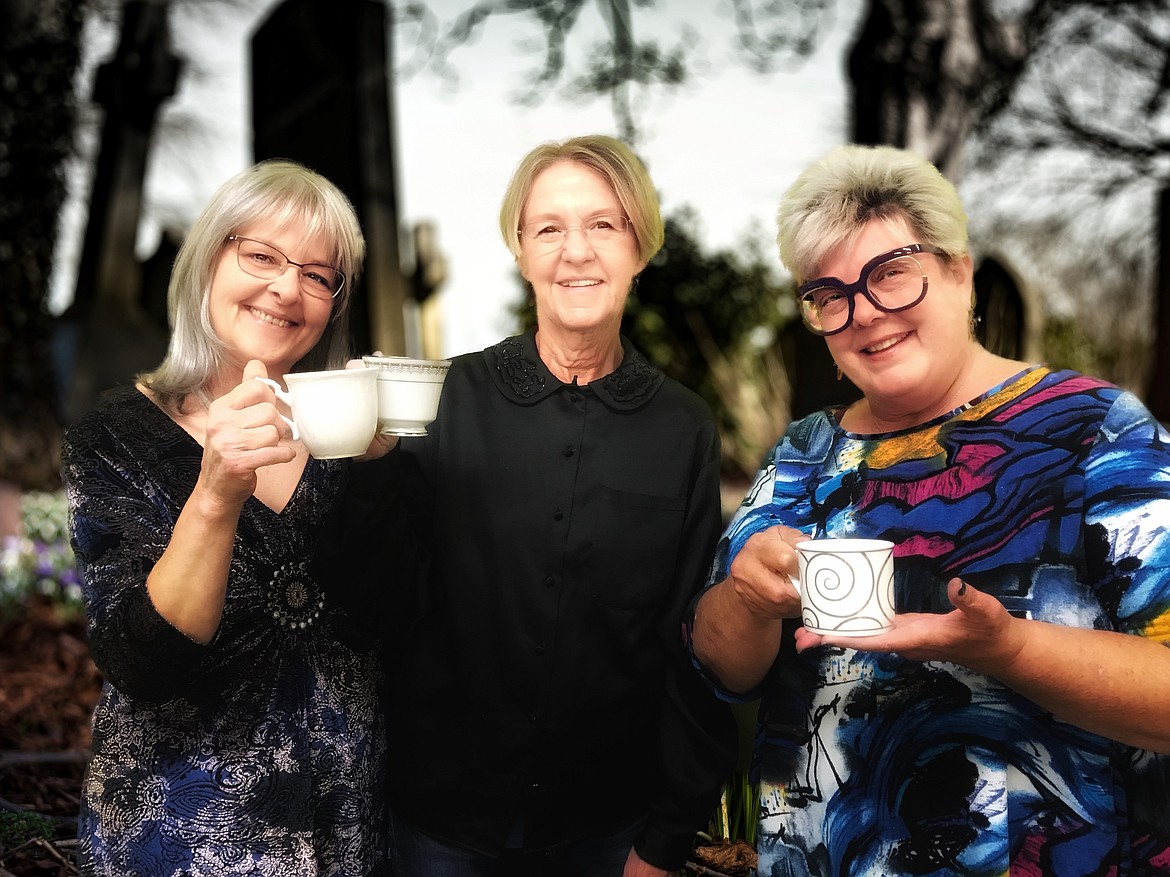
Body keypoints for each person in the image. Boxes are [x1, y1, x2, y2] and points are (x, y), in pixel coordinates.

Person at [687, 144, 1170, 876]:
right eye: (831, 293)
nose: (865, 314)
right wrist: (746, 598)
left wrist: (1006, 649)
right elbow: (725, 667)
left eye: (891, 275)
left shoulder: (1095, 430)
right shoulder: (805, 454)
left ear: (958, 270)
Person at [334, 134, 737, 876]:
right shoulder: (443, 397)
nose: (574, 251)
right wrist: (372, 475)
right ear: (520, 250)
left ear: (639, 248)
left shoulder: (684, 428)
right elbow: (374, 605)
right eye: (548, 227)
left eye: (602, 225)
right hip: (441, 823)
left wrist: (669, 833)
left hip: (606, 828)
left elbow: (690, 641)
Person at [61, 160, 392, 876]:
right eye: (262, 256)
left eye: (317, 273)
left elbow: (397, 624)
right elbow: (140, 662)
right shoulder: (117, 433)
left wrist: (387, 477)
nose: (286, 288)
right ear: (210, 257)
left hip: (346, 831)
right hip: (182, 838)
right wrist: (214, 493)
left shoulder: (346, 437)